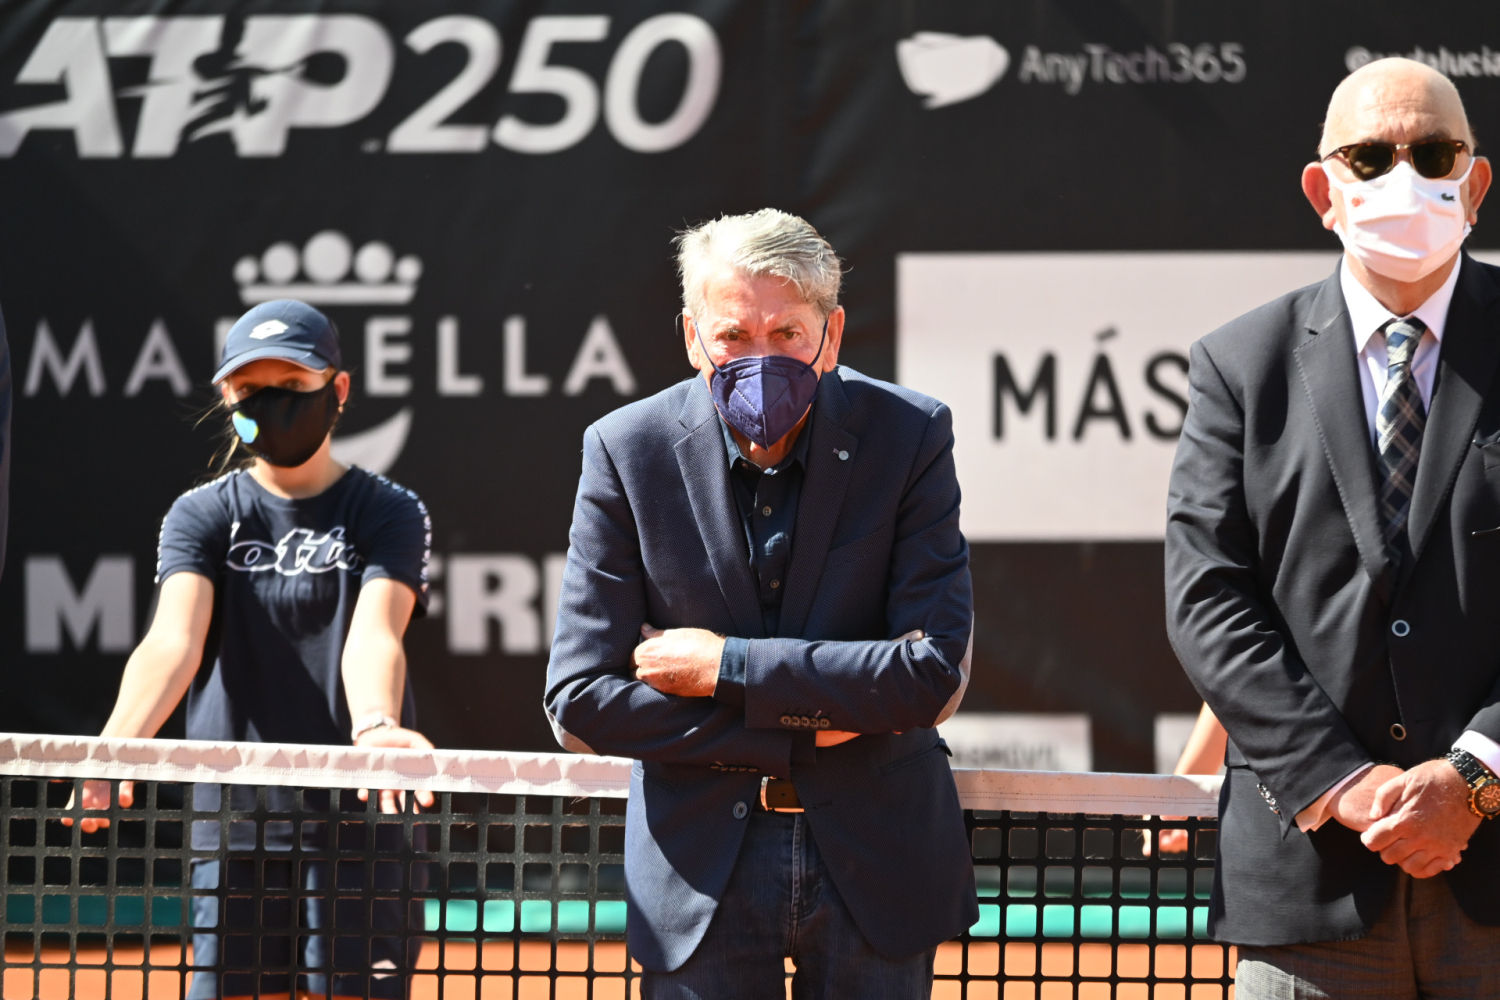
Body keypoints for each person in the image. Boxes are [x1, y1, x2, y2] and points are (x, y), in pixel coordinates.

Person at [544, 208, 976, 998]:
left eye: (786, 333)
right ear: (691, 335)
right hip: (696, 877)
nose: (760, 355)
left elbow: (929, 673)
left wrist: (723, 667)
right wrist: (819, 718)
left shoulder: (910, 436)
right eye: (733, 335)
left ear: (832, 335)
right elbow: (580, 698)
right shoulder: (623, 448)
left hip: (878, 864)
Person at [1165, 57, 1500, 997]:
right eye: (1369, 155)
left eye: (1433, 152)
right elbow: (1209, 604)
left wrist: (1474, 777)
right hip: (1308, 892)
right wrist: (1343, 786)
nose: (1403, 176)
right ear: (1323, 189)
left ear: (1475, 182)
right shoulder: (1237, 366)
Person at [70, 299, 434, 1000]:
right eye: (251, 393)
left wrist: (376, 726)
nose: (272, 406)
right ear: (226, 399)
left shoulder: (388, 510)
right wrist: (116, 745)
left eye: (292, 389)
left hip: (358, 826)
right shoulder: (201, 513)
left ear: (339, 389)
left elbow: (375, 633)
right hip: (235, 821)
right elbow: (173, 639)